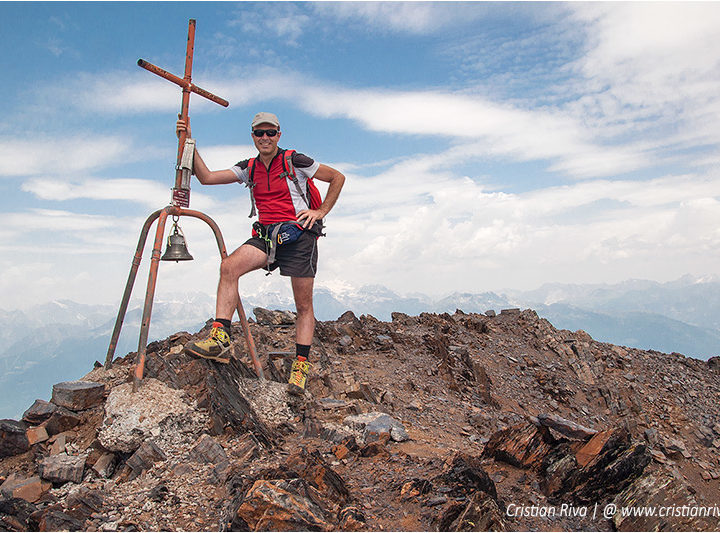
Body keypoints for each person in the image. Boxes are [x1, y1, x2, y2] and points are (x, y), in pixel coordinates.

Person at [177, 112, 345, 395]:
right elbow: (205, 177)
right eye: (259, 133)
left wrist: (320, 212)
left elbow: (337, 177)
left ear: (279, 135)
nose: (265, 138)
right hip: (267, 236)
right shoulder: (249, 168)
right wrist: (187, 140)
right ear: (253, 136)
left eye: (270, 133)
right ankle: (220, 339)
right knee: (229, 267)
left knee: (303, 305)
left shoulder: (296, 161)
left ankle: (301, 367)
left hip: (299, 236)